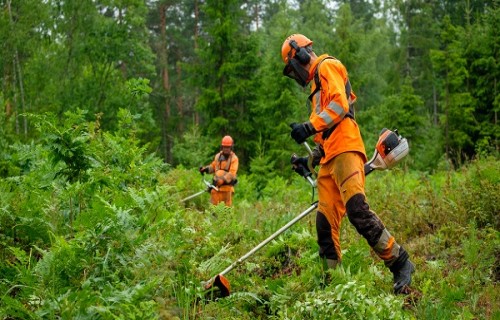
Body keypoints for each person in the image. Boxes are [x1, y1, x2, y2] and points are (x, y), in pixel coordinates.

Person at [281, 33, 415, 294]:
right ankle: (330, 285)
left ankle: (399, 262)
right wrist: (307, 162)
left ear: (300, 55)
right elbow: (323, 136)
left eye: (291, 68)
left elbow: (339, 106)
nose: (293, 74)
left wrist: (308, 127)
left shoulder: (326, 65)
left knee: (357, 210)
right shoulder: (314, 88)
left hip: (346, 147)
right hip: (329, 158)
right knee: (324, 224)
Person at [199, 135, 239, 206]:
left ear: (231, 147)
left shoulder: (234, 159)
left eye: (228, 147)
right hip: (216, 189)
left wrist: (221, 180)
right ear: (222, 147)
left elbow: (232, 173)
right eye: (225, 147)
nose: (226, 149)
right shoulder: (218, 156)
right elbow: (213, 166)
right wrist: (206, 169)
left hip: (227, 189)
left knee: (226, 211)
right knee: (214, 210)